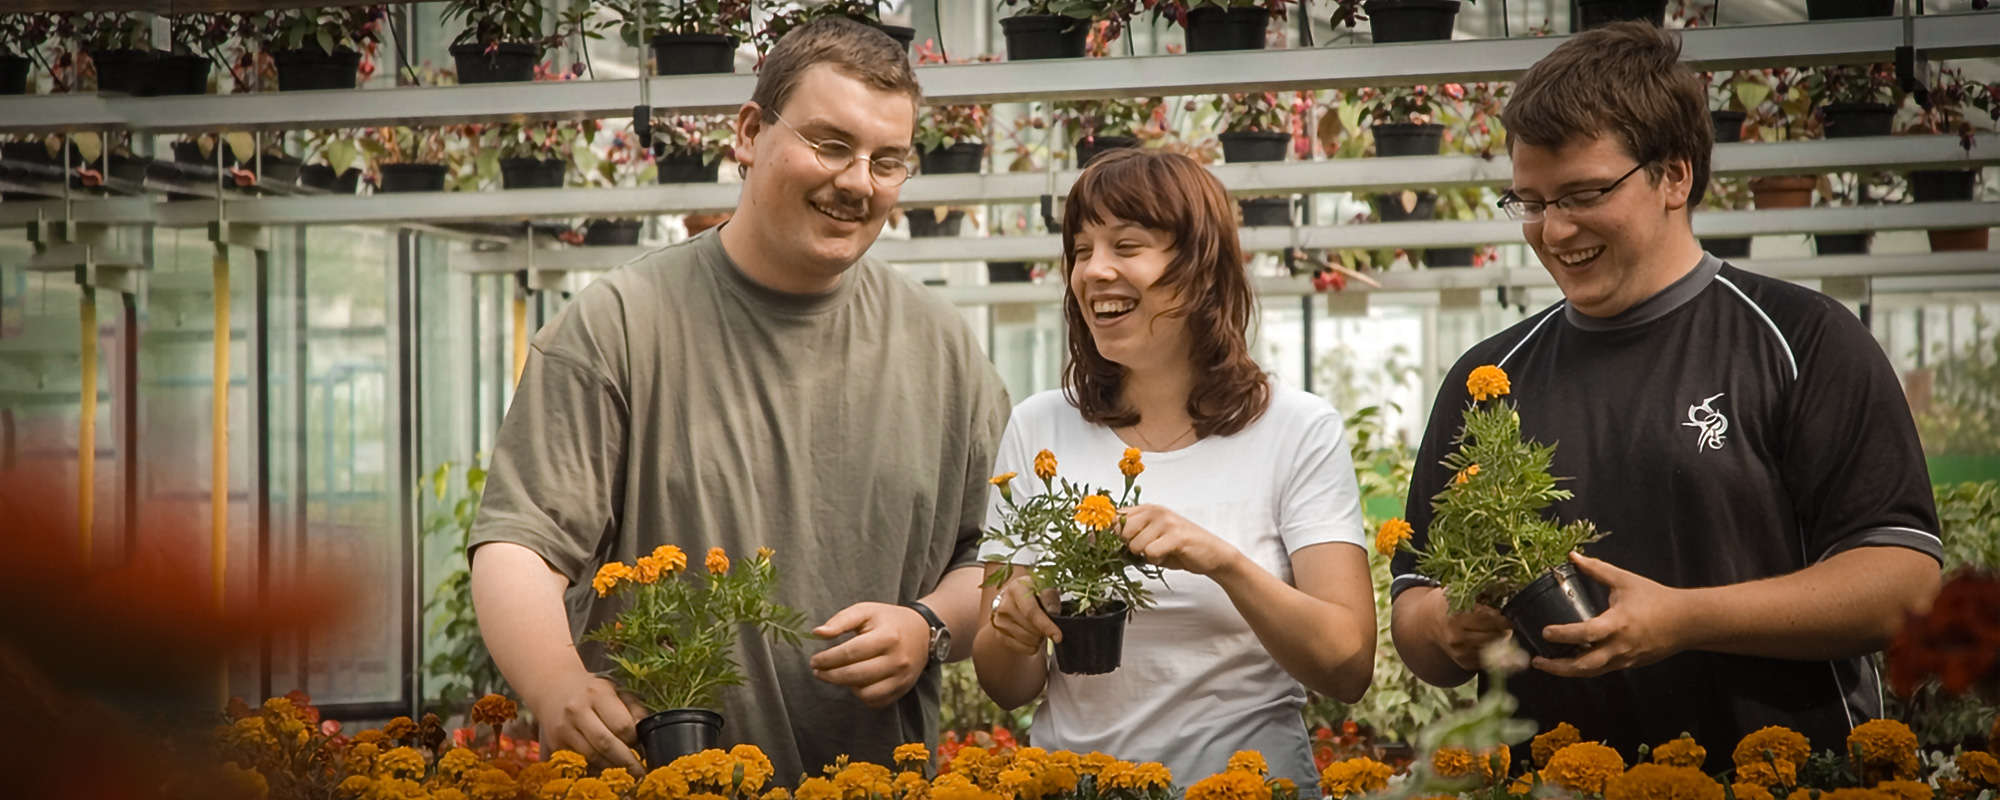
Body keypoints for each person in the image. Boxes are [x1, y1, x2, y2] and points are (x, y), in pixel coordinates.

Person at [1388, 22, 1943, 771]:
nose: (1554, 230)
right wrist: (1447, 628)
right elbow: (1416, 604)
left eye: (1583, 194)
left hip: (1782, 780)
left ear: (1674, 176)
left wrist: (1685, 618)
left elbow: (1903, 582)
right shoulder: (1489, 378)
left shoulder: (1802, 340)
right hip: (1552, 784)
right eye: (1530, 202)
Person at [467, 18, 1008, 779]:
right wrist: (554, 680)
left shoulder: (943, 350)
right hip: (663, 782)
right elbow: (520, 543)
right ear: (750, 133)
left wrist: (930, 624)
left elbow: (1000, 556)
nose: (859, 182)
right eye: (830, 145)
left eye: (887, 160)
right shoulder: (621, 325)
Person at [975, 148, 1377, 788]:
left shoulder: (1297, 429)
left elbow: (1347, 665)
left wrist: (1221, 562)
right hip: (1080, 787)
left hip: (1246, 788)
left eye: (1126, 246)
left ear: (1199, 269)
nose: (1094, 271)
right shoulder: (1039, 427)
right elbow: (1006, 685)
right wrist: (1013, 626)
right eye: (1081, 251)